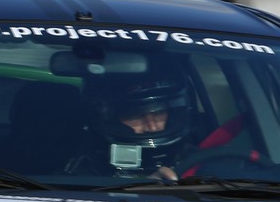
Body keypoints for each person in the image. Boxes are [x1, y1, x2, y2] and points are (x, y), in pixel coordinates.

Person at [66, 73, 198, 179]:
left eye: (159, 112)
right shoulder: (87, 167)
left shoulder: (197, 159)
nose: (151, 127)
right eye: (134, 115)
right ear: (112, 120)